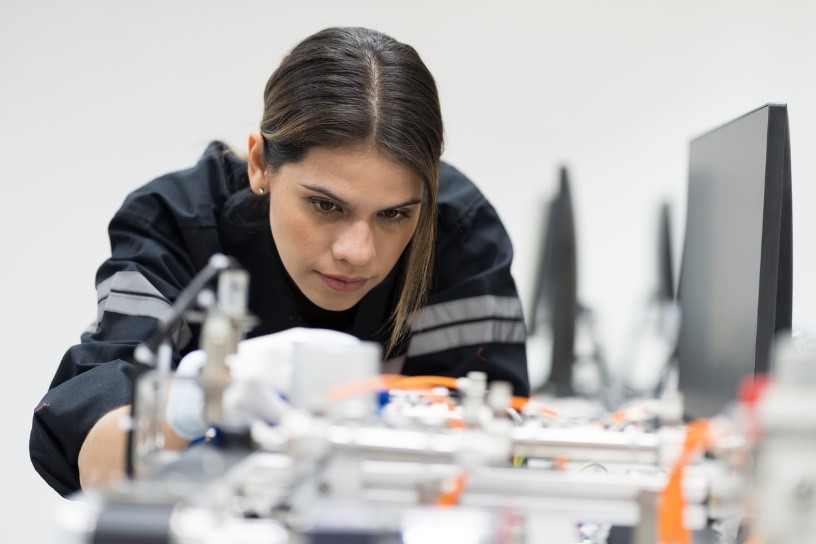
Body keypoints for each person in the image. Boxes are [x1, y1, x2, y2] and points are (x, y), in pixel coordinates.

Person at [29, 26, 529, 498]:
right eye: (325, 205)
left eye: (395, 214)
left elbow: (495, 465)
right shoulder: (176, 223)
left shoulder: (459, 233)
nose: (357, 251)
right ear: (260, 164)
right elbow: (96, 469)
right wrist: (194, 402)